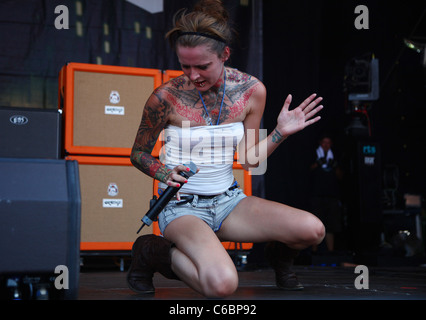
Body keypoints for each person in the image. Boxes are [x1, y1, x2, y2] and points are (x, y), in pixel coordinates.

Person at [128, 0, 325, 298]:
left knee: (313, 230)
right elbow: (138, 153)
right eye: (185, 66)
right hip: (182, 207)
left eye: (202, 66)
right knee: (222, 285)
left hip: (228, 202)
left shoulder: (251, 91)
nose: (193, 75)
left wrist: (280, 133)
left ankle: (278, 258)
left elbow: (249, 161)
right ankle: (152, 252)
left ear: (225, 55)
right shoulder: (165, 97)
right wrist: (164, 171)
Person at [309, 135, 342, 252]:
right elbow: (307, 171)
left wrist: (335, 166)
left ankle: (330, 251)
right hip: (317, 195)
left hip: (331, 196)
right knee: (315, 225)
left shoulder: (335, 156)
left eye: (328, 143)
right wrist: (318, 163)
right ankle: (314, 251)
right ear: (320, 143)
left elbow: (340, 176)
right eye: (324, 143)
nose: (326, 145)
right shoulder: (314, 154)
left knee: (331, 226)